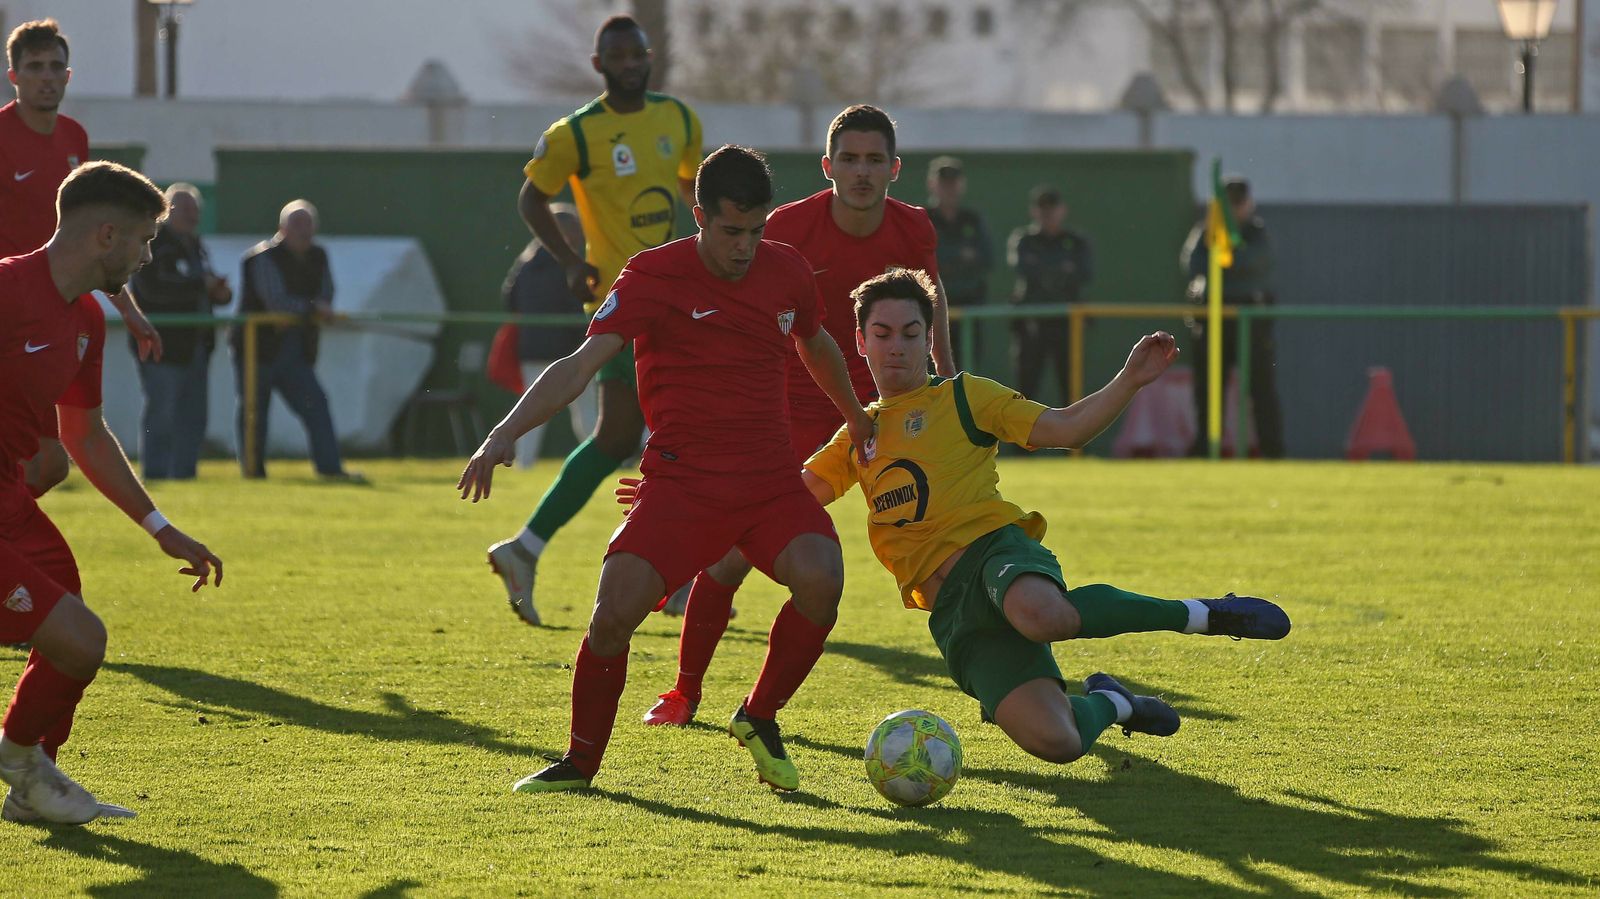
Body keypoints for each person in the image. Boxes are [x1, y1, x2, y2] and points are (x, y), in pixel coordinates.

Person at [631, 268, 1288, 767]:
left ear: (929, 338)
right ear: (859, 343)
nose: (896, 347)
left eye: (910, 334)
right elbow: (774, 501)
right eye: (882, 334)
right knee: (1057, 742)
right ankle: (1111, 702)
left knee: (1043, 614)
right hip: (953, 613)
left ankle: (1203, 613)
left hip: (995, 554)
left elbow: (1064, 428)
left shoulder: (966, 397)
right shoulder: (857, 436)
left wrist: (1129, 380)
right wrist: (682, 500)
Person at [457, 146, 873, 794]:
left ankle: (759, 715)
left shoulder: (787, 269)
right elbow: (580, 364)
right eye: (731, 231)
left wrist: (855, 415)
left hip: (768, 485)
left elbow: (815, 342)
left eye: (756, 230)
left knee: (823, 579)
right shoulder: (653, 274)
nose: (744, 247)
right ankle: (580, 764)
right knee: (611, 617)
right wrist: (503, 433)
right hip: (683, 488)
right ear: (699, 215)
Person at [641, 104, 956, 726]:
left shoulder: (915, 227)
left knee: (952, 547)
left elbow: (931, 296)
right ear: (827, 166)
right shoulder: (786, 227)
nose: (861, 172)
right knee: (731, 555)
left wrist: (946, 374)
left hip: (895, 414)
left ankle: (1002, 680)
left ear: (894, 169)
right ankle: (685, 692)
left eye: (874, 160)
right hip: (800, 413)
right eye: (849, 159)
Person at [0, 161, 223, 824]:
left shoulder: (88, 321)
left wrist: (161, 527)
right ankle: (19, 761)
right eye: (144, 240)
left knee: (67, 613)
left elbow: (87, 435)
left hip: (11, 502)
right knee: (81, 639)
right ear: (106, 236)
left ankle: (31, 780)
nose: (148, 255)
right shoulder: (7, 289)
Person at [484, 14, 703, 627]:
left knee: (619, 437)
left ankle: (527, 549)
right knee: (678, 434)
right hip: (622, 300)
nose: (631, 64)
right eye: (619, 56)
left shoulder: (680, 120)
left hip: (675, 300)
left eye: (638, 54)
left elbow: (692, 192)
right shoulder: (576, 133)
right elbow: (531, 196)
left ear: (650, 57)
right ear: (598, 64)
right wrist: (567, 260)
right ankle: (673, 576)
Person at [1, 18, 163, 496]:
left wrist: (129, 311)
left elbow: (98, 237)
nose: (47, 77)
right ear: (14, 76)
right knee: (44, 458)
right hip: (11, 308)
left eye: (56, 67)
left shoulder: (74, 138)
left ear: (68, 76)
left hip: (54, 308)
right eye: (35, 67)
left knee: (49, 463)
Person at [232, 199, 360, 481]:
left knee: (316, 405)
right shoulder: (260, 258)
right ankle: (253, 473)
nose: (304, 231)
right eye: (297, 224)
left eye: (308, 225)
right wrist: (313, 308)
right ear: (282, 228)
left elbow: (327, 292)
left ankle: (330, 469)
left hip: (294, 349)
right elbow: (276, 303)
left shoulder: (318, 256)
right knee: (254, 413)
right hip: (256, 350)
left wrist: (312, 308)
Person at [128, 183, 231, 480]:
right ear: (167, 211)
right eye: (185, 209)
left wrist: (220, 294)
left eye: (196, 210)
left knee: (193, 416)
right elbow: (153, 289)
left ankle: (185, 475)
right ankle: (156, 473)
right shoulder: (153, 244)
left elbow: (200, 284)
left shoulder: (195, 245)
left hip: (196, 345)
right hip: (162, 343)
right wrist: (201, 286)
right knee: (162, 413)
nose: (192, 216)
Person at [1182, 176, 1284, 457]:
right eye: (1229, 204)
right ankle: (1206, 447)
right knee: (1208, 389)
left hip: (1250, 320)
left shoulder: (1256, 232)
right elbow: (1193, 264)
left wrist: (1228, 258)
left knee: (1261, 388)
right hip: (1212, 318)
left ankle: (1272, 451)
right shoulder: (1206, 232)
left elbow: (1256, 262)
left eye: (1239, 203)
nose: (1235, 210)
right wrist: (1222, 256)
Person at [502, 206, 596, 471]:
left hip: (532, 349)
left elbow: (509, 300)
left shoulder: (525, 264)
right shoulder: (570, 264)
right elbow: (577, 307)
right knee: (587, 410)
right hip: (569, 351)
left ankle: (523, 464)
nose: (579, 236)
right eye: (575, 231)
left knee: (531, 411)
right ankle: (595, 456)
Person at [1008, 185, 1093, 406]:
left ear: (1062, 210)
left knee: (1071, 389)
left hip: (1067, 323)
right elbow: (1025, 269)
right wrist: (1062, 269)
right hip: (1032, 323)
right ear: (1034, 211)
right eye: (1042, 208)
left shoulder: (1076, 241)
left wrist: (1044, 268)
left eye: (1052, 207)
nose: (1048, 213)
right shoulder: (1024, 240)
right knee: (1026, 389)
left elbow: (1084, 273)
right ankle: (1022, 430)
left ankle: (1073, 430)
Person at [926, 155, 994, 358]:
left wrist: (944, 258)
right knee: (931, 369)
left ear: (962, 185)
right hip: (932, 309)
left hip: (969, 308)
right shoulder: (923, 218)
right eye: (944, 183)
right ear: (932, 184)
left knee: (968, 365)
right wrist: (960, 256)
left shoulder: (972, 220)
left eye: (953, 183)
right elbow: (921, 261)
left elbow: (987, 259)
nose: (949, 189)